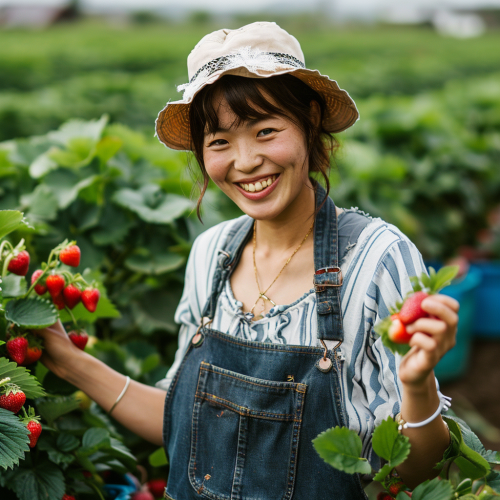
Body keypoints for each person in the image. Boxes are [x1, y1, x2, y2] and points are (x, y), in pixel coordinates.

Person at [37, 22, 460, 499]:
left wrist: (417, 383)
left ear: (311, 122)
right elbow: (186, 420)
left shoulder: (378, 259)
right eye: (220, 142)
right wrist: (67, 360)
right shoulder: (210, 255)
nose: (245, 161)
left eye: (266, 131)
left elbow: (416, 471)